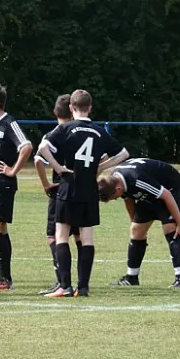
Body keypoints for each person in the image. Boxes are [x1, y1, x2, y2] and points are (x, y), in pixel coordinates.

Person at [38, 89, 129, 297]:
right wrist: (101, 166)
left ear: (71, 108)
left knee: (61, 235)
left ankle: (64, 286)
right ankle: (84, 287)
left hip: (68, 186)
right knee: (87, 237)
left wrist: (58, 168)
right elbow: (124, 153)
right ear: (90, 108)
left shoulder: (67, 129)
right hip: (89, 190)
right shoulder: (99, 131)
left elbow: (43, 147)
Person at [98, 158, 180, 287]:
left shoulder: (137, 179)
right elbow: (128, 198)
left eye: (114, 197)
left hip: (169, 186)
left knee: (170, 229)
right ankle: (131, 278)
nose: (116, 199)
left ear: (117, 189)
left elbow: (166, 195)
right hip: (149, 191)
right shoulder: (115, 181)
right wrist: (133, 220)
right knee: (136, 231)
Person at [0, 81, 33, 290]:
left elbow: (26, 146)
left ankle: (5, 279)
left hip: (3, 184)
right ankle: (4, 279)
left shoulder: (9, 123)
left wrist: (13, 170)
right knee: (0, 228)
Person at [34, 94, 82, 295]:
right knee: (80, 236)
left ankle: (62, 281)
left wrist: (46, 184)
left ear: (55, 112)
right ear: (72, 110)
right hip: (82, 190)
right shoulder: (81, 133)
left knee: (54, 236)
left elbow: (38, 160)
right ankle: (82, 282)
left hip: (60, 190)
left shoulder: (54, 134)